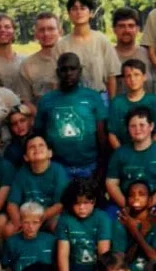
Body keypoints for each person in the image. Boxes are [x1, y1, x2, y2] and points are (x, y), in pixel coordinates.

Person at [35, 52, 107, 180]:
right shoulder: (46, 100)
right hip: (58, 168)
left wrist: (102, 166)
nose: (68, 73)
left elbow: (102, 135)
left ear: (80, 71)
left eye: (72, 69)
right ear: (58, 72)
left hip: (90, 166)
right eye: (64, 70)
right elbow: (39, 134)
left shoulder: (92, 97)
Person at [104, 107, 156, 215]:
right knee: (110, 221)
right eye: (133, 126)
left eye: (142, 125)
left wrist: (148, 205)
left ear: (151, 126)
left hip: (155, 202)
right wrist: (127, 205)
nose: (137, 129)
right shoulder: (119, 153)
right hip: (125, 202)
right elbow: (111, 183)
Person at [56, 0, 121, 99]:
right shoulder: (62, 45)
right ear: (69, 14)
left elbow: (111, 76)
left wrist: (112, 104)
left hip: (99, 97)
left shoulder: (101, 40)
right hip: (72, 98)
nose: (78, 12)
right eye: (74, 9)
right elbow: (57, 79)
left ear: (91, 13)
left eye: (82, 8)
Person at [6, 134, 71, 236]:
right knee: (9, 229)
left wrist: (38, 219)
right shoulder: (22, 173)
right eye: (32, 147)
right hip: (27, 217)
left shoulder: (58, 171)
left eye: (41, 145)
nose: (37, 149)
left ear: (50, 153)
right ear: (26, 157)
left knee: (58, 226)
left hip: (50, 215)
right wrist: (19, 222)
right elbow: (12, 204)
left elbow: (60, 204)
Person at [55, 177, 112, 271]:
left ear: (94, 201)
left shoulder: (102, 218)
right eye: (77, 203)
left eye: (86, 203)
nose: (81, 208)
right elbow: (63, 255)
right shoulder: (65, 220)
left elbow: (104, 254)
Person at [113, 180, 156, 271]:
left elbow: (155, 259)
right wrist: (141, 232)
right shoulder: (120, 224)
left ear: (150, 200)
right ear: (126, 200)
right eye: (131, 195)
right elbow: (122, 263)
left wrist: (136, 232)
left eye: (142, 194)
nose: (136, 198)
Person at [109, 58, 156, 148]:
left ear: (144, 77)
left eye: (136, 75)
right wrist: (122, 154)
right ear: (124, 79)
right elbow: (112, 134)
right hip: (124, 152)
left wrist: (148, 150)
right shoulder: (117, 103)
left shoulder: (153, 101)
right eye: (128, 76)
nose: (132, 79)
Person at [2, 202, 58, 271]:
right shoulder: (11, 242)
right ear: (20, 221)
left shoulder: (50, 240)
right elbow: (7, 268)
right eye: (26, 222)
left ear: (41, 222)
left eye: (35, 222)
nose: (30, 227)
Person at [19, 12, 64, 106]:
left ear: (60, 31)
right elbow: (26, 100)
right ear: (36, 34)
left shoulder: (72, 59)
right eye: (41, 30)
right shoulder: (27, 66)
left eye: (51, 29)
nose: (46, 34)